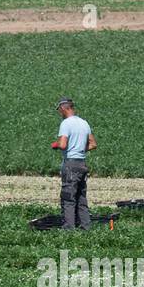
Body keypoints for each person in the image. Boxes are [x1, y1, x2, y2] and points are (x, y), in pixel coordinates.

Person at [53, 97, 96, 230]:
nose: (60, 113)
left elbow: (63, 144)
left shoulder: (66, 123)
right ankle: (86, 227)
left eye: (59, 110)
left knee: (68, 197)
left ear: (64, 108)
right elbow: (93, 144)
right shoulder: (84, 123)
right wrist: (79, 149)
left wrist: (55, 144)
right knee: (81, 197)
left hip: (71, 164)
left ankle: (68, 229)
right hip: (82, 163)